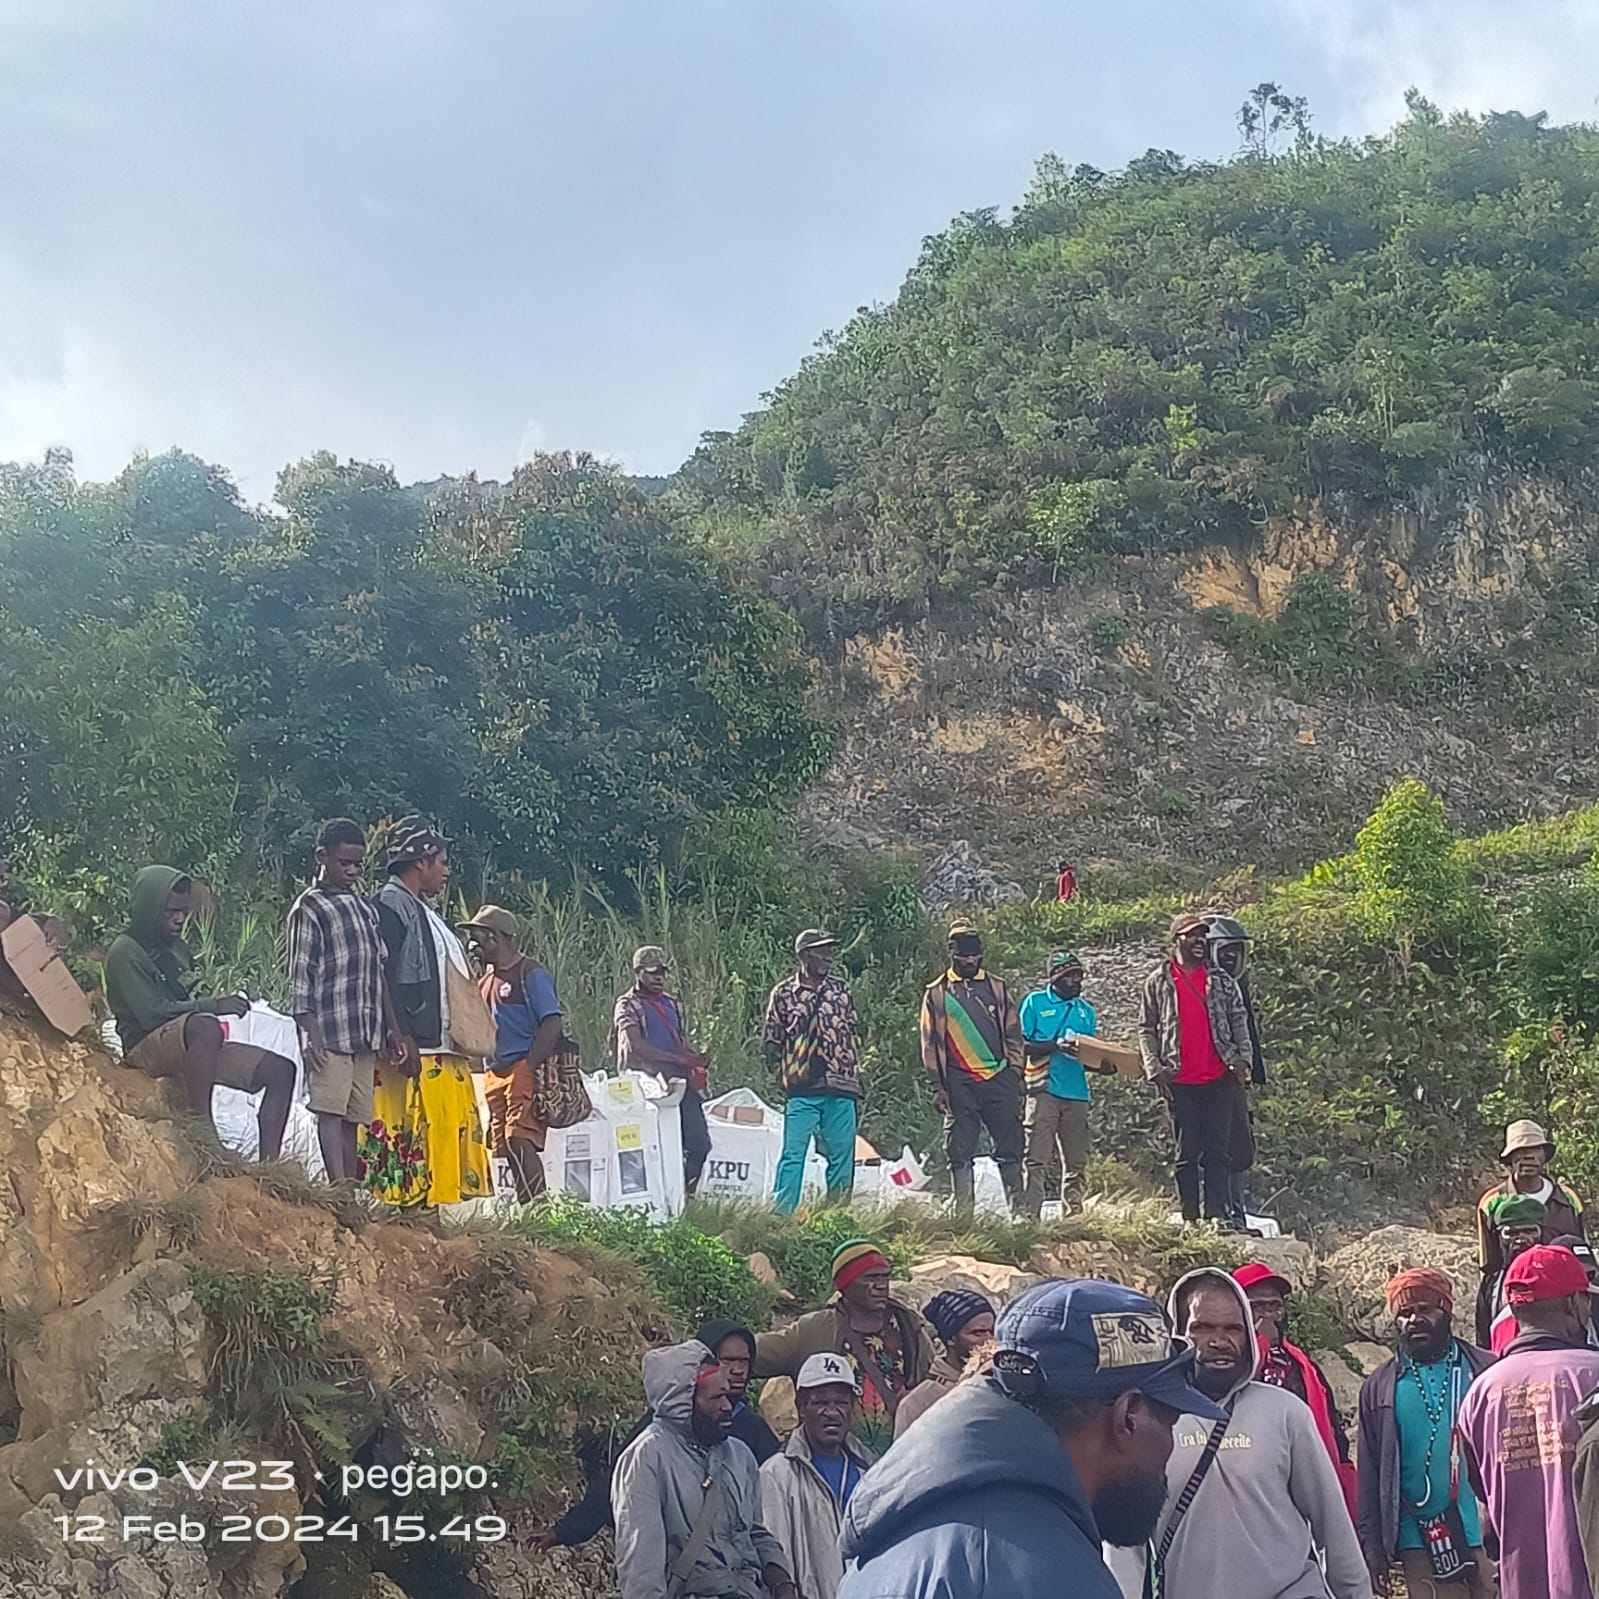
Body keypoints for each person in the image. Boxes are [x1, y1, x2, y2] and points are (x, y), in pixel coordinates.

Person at [837, 1276, 1227, 1599]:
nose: (1169, 1453)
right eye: (1171, 1424)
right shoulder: (1045, 1573)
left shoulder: (915, 1518)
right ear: (1127, 1418)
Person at [1114, 1267, 1371, 1599]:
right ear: (1178, 1333)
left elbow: (1332, 1525)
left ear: (1248, 1334)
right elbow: (1124, 1549)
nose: (1219, 1341)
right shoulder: (1147, 1420)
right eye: (1202, 1328)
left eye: (1232, 1329)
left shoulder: (1286, 1412)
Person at [532, 1318, 780, 1554]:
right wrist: (563, 1532)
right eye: (727, 1360)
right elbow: (615, 1483)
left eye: (744, 1362)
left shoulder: (752, 1432)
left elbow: (770, 1508)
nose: (737, 1370)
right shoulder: (660, 1431)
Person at [105, 864, 296, 1162]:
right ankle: (204, 1132)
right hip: (145, 1047)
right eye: (170, 912)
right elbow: (152, 1015)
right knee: (206, 1026)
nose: (179, 919)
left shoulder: (177, 948)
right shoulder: (124, 950)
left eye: (183, 911)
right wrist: (213, 1006)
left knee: (282, 1071)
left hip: (188, 1041)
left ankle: (269, 1168)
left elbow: (190, 997)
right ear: (149, 908)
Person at [1458, 1244, 1599, 1599]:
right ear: (1574, 1304)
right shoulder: (1593, 1375)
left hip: (1521, 1582)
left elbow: (1482, 1495)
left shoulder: (1480, 1393)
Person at [611, 1339, 797, 1599]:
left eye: (727, 1396)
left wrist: (782, 1581)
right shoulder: (647, 1458)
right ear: (683, 1403)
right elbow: (641, 1571)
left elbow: (754, 1532)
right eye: (715, 1398)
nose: (727, 1407)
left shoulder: (739, 1456)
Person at [368, 818, 490, 1207]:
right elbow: (380, 972)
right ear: (420, 861)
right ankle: (410, 1214)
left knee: (432, 1132)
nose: (446, 870)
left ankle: (425, 1212)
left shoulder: (418, 909)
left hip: (436, 1048)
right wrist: (398, 1032)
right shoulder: (391, 906)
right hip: (413, 1049)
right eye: (442, 860)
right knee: (412, 1131)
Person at [1355, 1268, 1496, 1599]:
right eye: (1404, 1313)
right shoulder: (1379, 1388)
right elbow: (1370, 1474)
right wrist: (1373, 1548)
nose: (1414, 1320)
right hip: (1420, 1541)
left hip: (1492, 1536)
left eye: (1425, 1309)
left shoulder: (1488, 1371)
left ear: (1446, 1312)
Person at [287, 820, 405, 1185]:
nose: (352, 871)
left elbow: (378, 972)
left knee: (355, 1117)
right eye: (344, 863)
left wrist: (393, 1029)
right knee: (330, 1111)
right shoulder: (309, 908)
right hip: (330, 1030)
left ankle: (349, 1187)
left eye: (357, 865)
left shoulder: (364, 907)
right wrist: (310, 1034)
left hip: (365, 1031)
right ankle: (339, 1188)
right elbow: (301, 976)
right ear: (322, 857)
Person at [755, 1240, 935, 1458]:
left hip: (901, 1458)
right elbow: (752, 1354)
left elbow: (934, 1381)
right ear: (846, 1285)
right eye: (870, 1278)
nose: (881, 1285)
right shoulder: (814, 1330)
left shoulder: (909, 1327)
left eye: (884, 1276)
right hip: (837, 1459)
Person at [1137, 910, 1253, 1226]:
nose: (1200, 941)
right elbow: (1146, 1027)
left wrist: (1244, 1059)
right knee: (1186, 1152)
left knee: (1218, 1150)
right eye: (1193, 935)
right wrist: (1154, 1067)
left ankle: (1216, 1214)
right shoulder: (1158, 981)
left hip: (1218, 1076)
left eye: (1203, 935)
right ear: (1178, 940)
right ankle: (1190, 1216)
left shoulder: (1221, 980)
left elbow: (1238, 1019)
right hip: (1179, 1078)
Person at [458, 905, 565, 1203]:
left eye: (477, 939)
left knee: (519, 1137)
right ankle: (527, 1209)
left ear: (495, 938)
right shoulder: (484, 981)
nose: (474, 947)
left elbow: (552, 1022)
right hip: (495, 1071)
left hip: (522, 1066)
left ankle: (540, 1211)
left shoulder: (529, 972)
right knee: (506, 1144)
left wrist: (529, 1066)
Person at [1234, 1262, 1358, 1519]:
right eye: (1257, 1306)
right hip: (1248, 1495)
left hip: (1305, 1488)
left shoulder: (1304, 1366)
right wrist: (1259, 1345)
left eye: (1275, 1306)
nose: (1268, 1315)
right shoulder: (1227, 1368)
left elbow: (1334, 1433)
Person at [920, 921, 1025, 1216]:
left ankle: (1019, 1216)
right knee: (959, 1150)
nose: (969, 961)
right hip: (958, 1082)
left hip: (998, 1077)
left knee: (1010, 1147)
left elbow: (1014, 1033)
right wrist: (938, 1086)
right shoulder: (937, 993)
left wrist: (1014, 1072)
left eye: (973, 956)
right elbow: (929, 1042)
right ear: (952, 955)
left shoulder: (997, 987)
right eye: (963, 956)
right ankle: (964, 1217)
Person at [762, 928, 863, 1214]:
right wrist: (787, 1074)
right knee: (793, 1155)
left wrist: (852, 1068)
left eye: (830, 950)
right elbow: (772, 1039)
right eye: (821, 950)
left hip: (841, 1086)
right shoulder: (783, 993)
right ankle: (780, 1218)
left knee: (842, 1155)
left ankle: (836, 1217)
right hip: (802, 1089)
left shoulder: (841, 990)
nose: (828, 956)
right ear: (804, 955)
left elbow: (852, 1031)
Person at [760, 1352, 873, 1599]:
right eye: (820, 1403)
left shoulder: (871, 1472)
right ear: (801, 1408)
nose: (831, 1412)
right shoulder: (777, 1473)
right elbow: (776, 1555)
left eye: (841, 1403)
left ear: (852, 1407)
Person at [613, 944, 713, 1195]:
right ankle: (655, 1199)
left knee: (699, 1144)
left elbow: (678, 1041)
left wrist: (694, 1058)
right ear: (638, 973)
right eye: (652, 972)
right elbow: (636, 1046)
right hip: (644, 1086)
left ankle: (684, 1196)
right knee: (652, 1147)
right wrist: (677, 1060)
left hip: (678, 1084)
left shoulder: (673, 1004)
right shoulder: (627, 1004)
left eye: (662, 972)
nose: (659, 978)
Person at [1018, 949, 1103, 1219]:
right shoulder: (1035, 1003)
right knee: (1036, 1157)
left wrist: (1106, 1066)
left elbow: (1089, 1055)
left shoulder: (1086, 1012)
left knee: (1076, 1160)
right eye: (1070, 976)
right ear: (1055, 978)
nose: (1077, 981)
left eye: (1079, 976)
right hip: (1043, 1089)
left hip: (1077, 1092)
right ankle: (1029, 1215)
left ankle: (1074, 1215)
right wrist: (1055, 1046)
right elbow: (1020, 1046)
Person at [1206, 914, 1266, 1230]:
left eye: (1236, 951)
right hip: (1202, 1078)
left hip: (1233, 1077)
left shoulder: (1235, 985)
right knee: (1210, 1149)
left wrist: (1251, 1067)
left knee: (1239, 1146)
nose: (1231, 957)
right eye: (1225, 950)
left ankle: (1236, 1212)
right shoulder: (1194, 985)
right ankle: (1217, 1213)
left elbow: (1246, 1028)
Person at [1476, 1119, 1585, 1278]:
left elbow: (1583, 1251)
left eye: (1535, 1149)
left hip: (1565, 1293)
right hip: (1516, 1292)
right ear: (1510, 1158)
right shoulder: (1492, 1202)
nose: (1529, 1156)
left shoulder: (1568, 1199)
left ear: (1544, 1156)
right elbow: (1487, 1263)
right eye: (1521, 1150)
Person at [893, 1290, 996, 1438]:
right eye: (978, 1333)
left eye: (993, 1332)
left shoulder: (1004, 1385)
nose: (989, 1341)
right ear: (951, 1339)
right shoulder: (919, 1402)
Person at [1475, 1192, 1547, 1353]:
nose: (1521, 1239)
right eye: (1512, 1233)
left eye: (1530, 1231)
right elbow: (1483, 1340)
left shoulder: (1556, 1276)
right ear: (1499, 1237)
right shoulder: (1491, 1283)